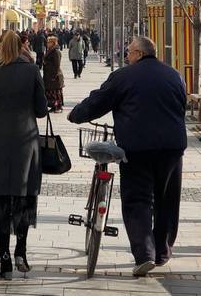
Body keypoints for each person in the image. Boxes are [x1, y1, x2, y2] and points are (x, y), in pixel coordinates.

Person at [68, 36, 187, 277]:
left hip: (137, 147)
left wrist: (75, 115)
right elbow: (181, 105)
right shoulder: (174, 75)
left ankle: (144, 255)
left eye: (130, 51)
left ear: (140, 54)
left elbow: (98, 101)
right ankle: (162, 251)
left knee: (137, 200)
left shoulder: (124, 76)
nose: (126, 55)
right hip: (172, 147)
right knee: (166, 198)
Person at [0, 31, 48, 280]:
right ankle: (21, 251)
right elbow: (41, 109)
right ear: (21, 47)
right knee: (23, 196)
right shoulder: (31, 70)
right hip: (25, 140)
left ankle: (4, 257)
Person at [43, 36, 64, 113]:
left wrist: (54, 75)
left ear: (53, 43)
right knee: (51, 92)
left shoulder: (56, 51)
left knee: (56, 92)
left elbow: (57, 64)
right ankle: (53, 106)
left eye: (49, 42)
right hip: (49, 75)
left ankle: (58, 106)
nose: (47, 43)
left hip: (55, 75)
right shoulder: (49, 50)